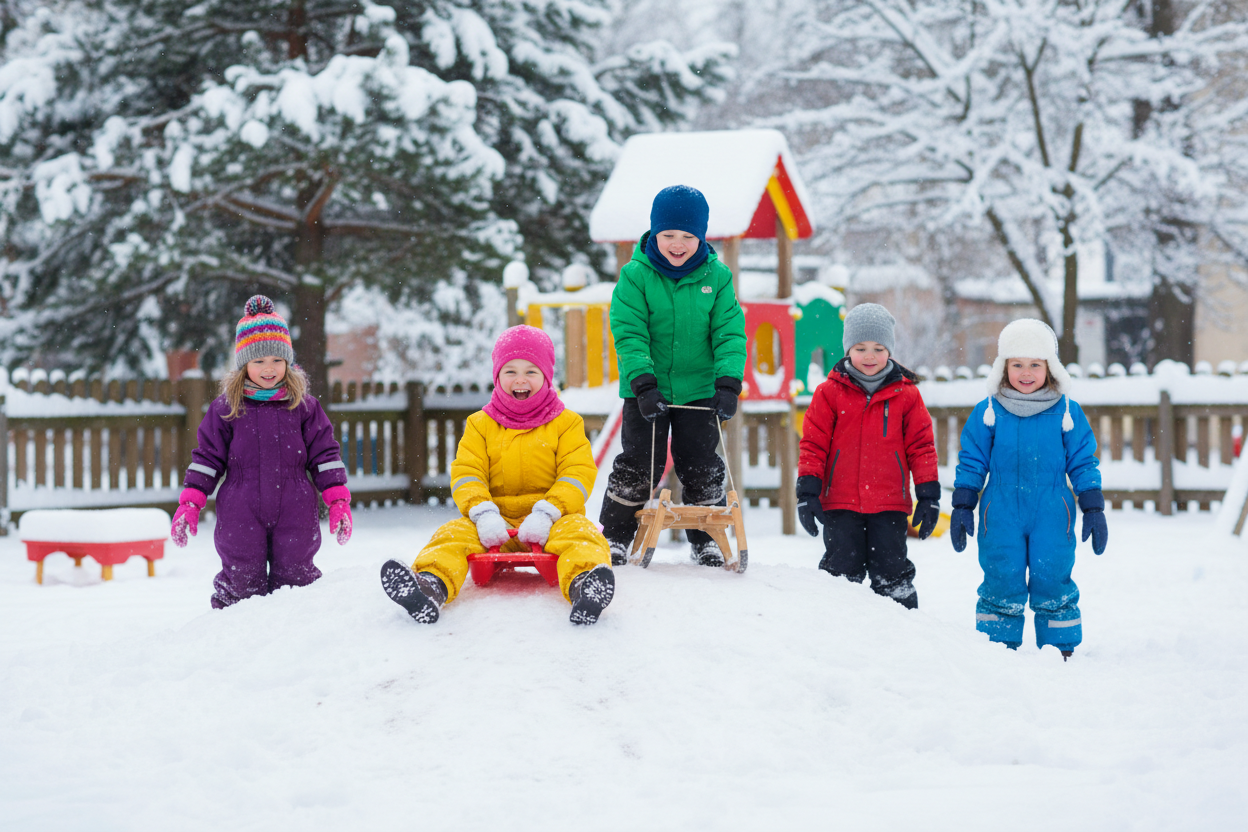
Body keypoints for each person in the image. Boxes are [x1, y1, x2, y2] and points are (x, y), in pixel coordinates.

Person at [380, 325, 615, 625]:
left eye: (531, 371)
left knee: (582, 534)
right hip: (493, 521)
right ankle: (429, 585)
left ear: (546, 376)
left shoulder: (566, 423)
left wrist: (549, 511)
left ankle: (586, 586)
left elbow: (577, 473)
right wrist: (482, 512)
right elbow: (467, 473)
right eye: (510, 371)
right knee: (453, 535)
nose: (520, 379)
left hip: (553, 520)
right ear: (497, 376)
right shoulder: (480, 424)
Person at [169, 295, 352, 608]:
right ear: (244, 365)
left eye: (277, 360)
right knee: (241, 581)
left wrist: (337, 499)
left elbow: (324, 455)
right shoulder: (227, 408)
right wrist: (190, 502)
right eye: (259, 361)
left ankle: (298, 630)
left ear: (288, 362)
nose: (269, 368)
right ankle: (234, 630)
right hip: (241, 510)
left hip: (295, 507)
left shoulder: (304, 406)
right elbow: (207, 459)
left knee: (296, 581)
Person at [599, 185, 747, 567]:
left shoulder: (718, 277)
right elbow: (630, 333)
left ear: (701, 237)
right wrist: (643, 384)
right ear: (654, 232)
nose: (677, 244)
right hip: (646, 389)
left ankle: (708, 538)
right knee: (640, 463)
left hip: (698, 389)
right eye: (668, 235)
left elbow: (729, 333)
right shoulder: (635, 276)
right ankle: (615, 536)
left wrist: (728, 383)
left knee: (701, 463)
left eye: (688, 236)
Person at [949, 318, 1107, 659]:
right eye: (1017, 364)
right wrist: (963, 503)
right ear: (1003, 367)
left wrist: (1093, 506)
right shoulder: (989, 411)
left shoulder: (1066, 411)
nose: (1026, 372)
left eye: (1035, 364)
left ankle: (1060, 647)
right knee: (1001, 575)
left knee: (1053, 575)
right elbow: (972, 459)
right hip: (1000, 512)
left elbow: (1082, 460)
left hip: (1052, 511)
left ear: (1049, 367)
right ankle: (998, 645)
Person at [795, 303, 940, 609]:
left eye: (878, 348)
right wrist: (807, 492)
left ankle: (900, 625)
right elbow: (813, 444)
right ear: (848, 349)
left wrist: (928, 495)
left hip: (889, 504)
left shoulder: (906, 395)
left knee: (892, 574)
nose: (870, 356)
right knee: (840, 574)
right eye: (860, 348)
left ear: (890, 350)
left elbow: (921, 446)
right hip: (840, 503)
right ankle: (837, 623)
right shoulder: (829, 393)